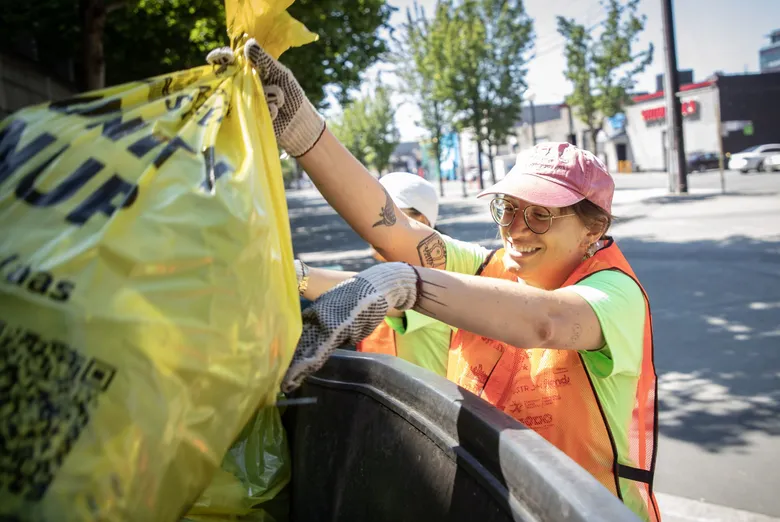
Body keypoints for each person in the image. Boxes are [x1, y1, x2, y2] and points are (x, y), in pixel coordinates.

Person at [244, 40, 660, 521]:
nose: (516, 230)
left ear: (594, 228)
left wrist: (408, 284)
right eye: (508, 210)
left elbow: (545, 322)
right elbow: (393, 228)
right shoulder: (487, 268)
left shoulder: (615, 293)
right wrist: (303, 131)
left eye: (541, 215)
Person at [297, 172, 452, 376]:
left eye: (384, 215)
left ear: (419, 221)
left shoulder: (439, 277)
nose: (370, 225)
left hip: (424, 406)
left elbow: (370, 291)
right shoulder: (391, 267)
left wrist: (296, 275)